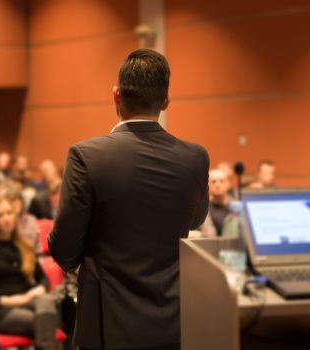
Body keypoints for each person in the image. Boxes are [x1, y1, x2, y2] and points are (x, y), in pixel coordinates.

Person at [48, 49, 209, 350]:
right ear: (165, 101)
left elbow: (64, 247)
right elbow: (196, 219)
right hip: (174, 322)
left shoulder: (87, 156)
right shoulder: (195, 157)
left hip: (107, 325)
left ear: (116, 96)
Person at [0, 196, 58, 350]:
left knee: (47, 300)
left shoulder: (23, 247)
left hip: (28, 302)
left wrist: (36, 291)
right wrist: (6, 301)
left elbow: (43, 279)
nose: (6, 219)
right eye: (0, 215)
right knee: (44, 321)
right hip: (0, 310)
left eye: (9, 213)